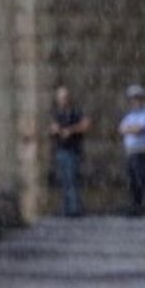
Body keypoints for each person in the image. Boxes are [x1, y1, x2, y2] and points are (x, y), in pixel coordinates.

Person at [49, 86, 90, 217]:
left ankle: (75, 209)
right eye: (60, 98)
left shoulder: (76, 111)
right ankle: (66, 208)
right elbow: (52, 128)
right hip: (60, 150)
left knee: (72, 179)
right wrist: (54, 130)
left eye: (64, 98)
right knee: (64, 180)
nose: (62, 100)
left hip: (73, 150)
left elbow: (86, 125)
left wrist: (70, 130)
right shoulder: (56, 113)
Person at [118, 85, 145, 216]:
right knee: (133, 180)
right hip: (131, 151)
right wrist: (131, 129)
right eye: (132, 99)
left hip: (143, 151)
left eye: (137, 99)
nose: (134, 102)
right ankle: (136, 206)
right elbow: (122, 129)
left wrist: (131, 129)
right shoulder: (130, 115)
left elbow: (139, 129)